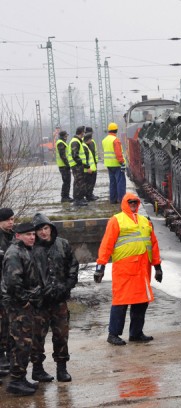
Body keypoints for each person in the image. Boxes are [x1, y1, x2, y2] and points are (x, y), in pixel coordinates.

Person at [94, 193, 163, 346]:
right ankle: (113, 334)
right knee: (121, 302)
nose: (133, 204)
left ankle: (136, 333)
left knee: (141, 302)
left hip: (142, 271)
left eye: (135, 202)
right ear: (125, 203)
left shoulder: (145, 221)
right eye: (130, 202)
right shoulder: (116, 220)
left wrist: (158, 267)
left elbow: (153, 245)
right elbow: (106, 245)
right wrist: (100, 267)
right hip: (124, 270)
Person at [30, 213, 78, 383]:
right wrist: (39, 291)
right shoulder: (31, 248)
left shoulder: (62, 244)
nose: (43, 232)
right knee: (37, 336)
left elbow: (72, 267)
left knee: (61, 335)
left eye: (45, 228)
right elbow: (26, 275)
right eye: (39, 230)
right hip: (39, 302)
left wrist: (65, 286)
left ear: (51, 228)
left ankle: (62, 368)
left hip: (59, 300)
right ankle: (37, 368)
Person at [1, 222, 43, 396]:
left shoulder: (25, 250)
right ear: (18, 236)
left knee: (23, 341)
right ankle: (16, 381)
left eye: (33, 234)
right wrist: (25, 301)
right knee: (21, 342)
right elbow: (12, 283)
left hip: (24, 303)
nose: (32, 237)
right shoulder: (14, 253)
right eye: (28, 235)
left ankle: (20, 377)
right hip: (17, 305)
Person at [0, 208, 15, 379]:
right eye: (7, 220)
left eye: (12, 219)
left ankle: (9, 356)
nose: (11, 222)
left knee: (9, 324)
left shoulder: (12, 236)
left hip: (9, 286)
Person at [102, 122, 126, 204]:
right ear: (116, 130)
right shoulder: (115, 140)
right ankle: (122, 200)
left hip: (109, 164)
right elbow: (118, 153)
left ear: (109, 130)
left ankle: (113, 199)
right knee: (120, 182)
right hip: (117, 164)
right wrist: (122, 162)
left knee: (112, 182)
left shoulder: (104, 140)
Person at [68, 126, 92, 207]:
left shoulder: (78, 141)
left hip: (78, 165)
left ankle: (79, 198)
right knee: (78, 182)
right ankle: (77, 200)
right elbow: (75, 155)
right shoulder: (75, 142)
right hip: (77, 166)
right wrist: (83, 164)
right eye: (84, 132)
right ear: (81, 132)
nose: (84, 134)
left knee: (79, 182)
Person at [55, 131, 73, 202]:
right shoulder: (61, 143)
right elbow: (63, 156)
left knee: (67, 181)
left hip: (64, 165)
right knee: (66, 181)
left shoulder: (62, 142)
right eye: (66, 136)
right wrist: (67, 164)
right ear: (64, 136)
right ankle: (64, 197)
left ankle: (66, 196)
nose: (67, 137)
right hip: (63, 165)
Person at [82, 130, 98, 202]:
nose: (91, 140)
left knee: (90, 183)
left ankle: (89, 195)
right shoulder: (85, 147)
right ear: (88, 139)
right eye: (90, 139)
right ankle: (89, 196)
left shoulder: (86, 145)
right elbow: (84, 159)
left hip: (91, 168)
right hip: (88, 169)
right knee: (88, 183)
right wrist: (88, 167)